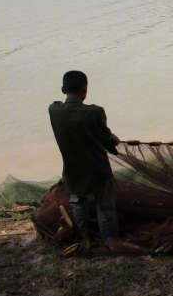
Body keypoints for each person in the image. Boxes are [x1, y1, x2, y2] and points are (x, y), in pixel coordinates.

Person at [48, 70, 121, 249]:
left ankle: (84, 237)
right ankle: (109, 240)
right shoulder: (95, 112)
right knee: (105, 206)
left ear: (63, 89)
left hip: (72, 171)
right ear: (85, 90)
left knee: (77, 202)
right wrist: (114, 140)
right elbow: (106, 140)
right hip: (98, 170)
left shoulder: (54, 110)